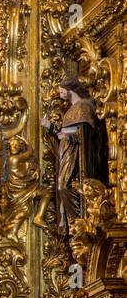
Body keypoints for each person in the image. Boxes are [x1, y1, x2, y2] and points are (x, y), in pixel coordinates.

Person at [42, 75, 110, 231]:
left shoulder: (84, 107)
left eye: (61, 91)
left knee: (64, 187)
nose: (60, 95)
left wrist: (68, 136)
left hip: (79, 158)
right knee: (62, 187)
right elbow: (68, 131)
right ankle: (75, 221)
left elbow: (86, 136)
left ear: (69, 90)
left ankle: (79, 219)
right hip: (68, 154)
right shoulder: (72, 110)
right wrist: (50, 127)